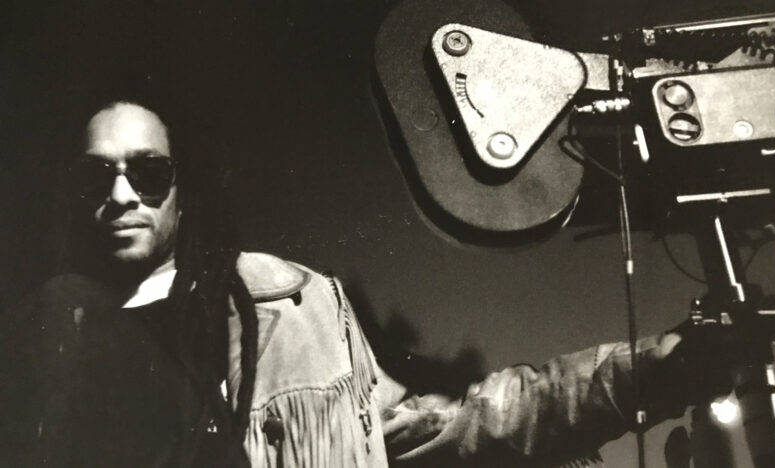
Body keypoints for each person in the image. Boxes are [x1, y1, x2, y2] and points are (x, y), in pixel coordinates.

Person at [0, 100, 726, 468]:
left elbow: (466, 421)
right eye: (98, 175)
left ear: (181, 191)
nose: (122, 194)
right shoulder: (34, 338)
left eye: (148, 171)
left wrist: (660, 367)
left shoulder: (287, 311)